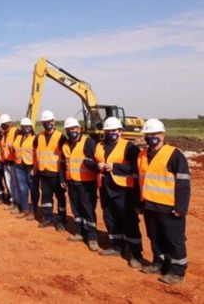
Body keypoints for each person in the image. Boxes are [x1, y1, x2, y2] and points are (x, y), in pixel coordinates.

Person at [138, 119, 190, 285]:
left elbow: (183, 183)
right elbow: (139, 180)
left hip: (169, 207)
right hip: (149, 205)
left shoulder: (174, 154)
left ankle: (177, 271)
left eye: (155, 134)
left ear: (163, 135)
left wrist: (181, 206)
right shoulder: (142, 155)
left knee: (174, 239)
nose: (152, 137)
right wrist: (140, 202)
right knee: (155, 236)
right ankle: (159, 263)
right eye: (148, 135)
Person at [94, 117, 143, 269]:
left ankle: (136, 253)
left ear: (121, 131)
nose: (111, 133)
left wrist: (114, 167)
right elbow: (90, 161)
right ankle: (116, 246)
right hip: (105, 188)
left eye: (114, 130)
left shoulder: (130, 148)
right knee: (110, 218)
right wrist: (97, 166)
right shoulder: (99, 145)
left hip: (123, 190)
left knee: (129, 221)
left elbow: (137, 169)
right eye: (108, 131)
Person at [60, 117, 99, 252]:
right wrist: (62, 178)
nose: (72, 131)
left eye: (74, 129)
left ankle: (92, 237)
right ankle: (79, 232)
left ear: (79, 129)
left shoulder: (88, 142)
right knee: (76, 209)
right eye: (69, 129)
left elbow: (96, 161)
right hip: (72, 181)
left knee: (88, 210)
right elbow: (63, 163)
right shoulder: (65, 144)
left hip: (86, 183)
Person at [34, 110, 67, 231]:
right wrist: (36, 170)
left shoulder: (61, 137)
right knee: (46, 198)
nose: (47, 123)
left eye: (49, 121)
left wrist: (64, 176)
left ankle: (61, 220)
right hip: (44, 173)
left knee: (60, 198)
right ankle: (48, 217)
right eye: (45, 122)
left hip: (57, 174)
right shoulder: (39, 137)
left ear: (54, 121)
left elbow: (65, 157)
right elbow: (36, 154)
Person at [12, 117, 35, 219]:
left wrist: (35, 166)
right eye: (23, 126)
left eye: (27, 126)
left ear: (30, 127)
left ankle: (33, 211)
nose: (25, 128)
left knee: (32, 188)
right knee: (22, 188)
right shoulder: (18, 137)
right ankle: (24, 209)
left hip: (30, 165)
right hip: (18, 165)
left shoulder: (34, 138)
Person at [0, 114, 19, 209]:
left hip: (14, 163)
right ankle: (13, 201)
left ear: (10, 123)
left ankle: (18, 204)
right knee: (9, 184)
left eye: (6, 124)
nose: (4, 126)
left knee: (16, 184)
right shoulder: (4, 134)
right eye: (3, 124)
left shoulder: (16, 132)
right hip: (6, 162)